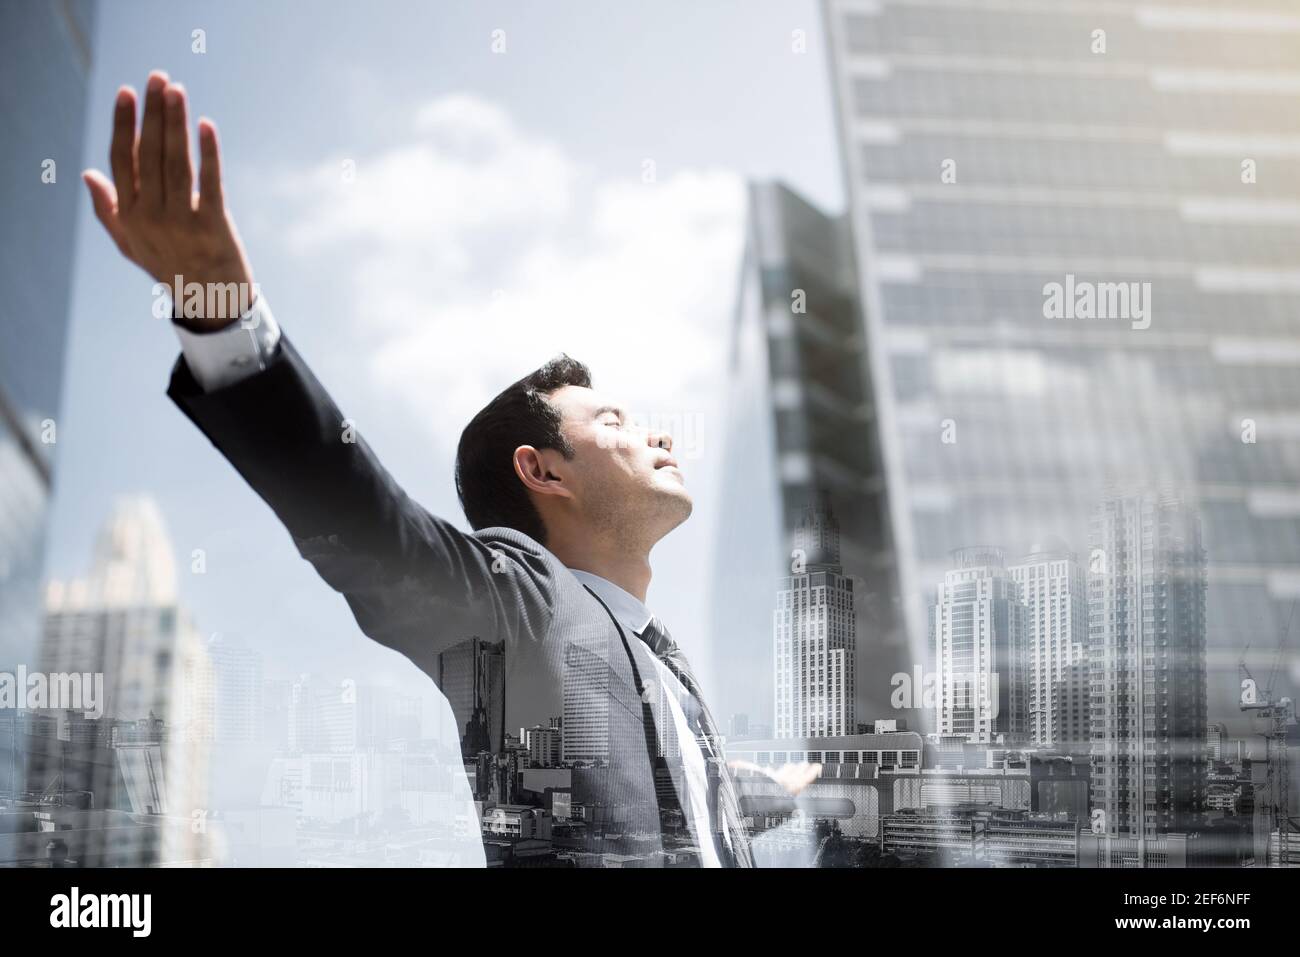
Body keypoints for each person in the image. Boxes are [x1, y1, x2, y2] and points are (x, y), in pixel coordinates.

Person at [84, 71, 817, 867]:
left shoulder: (667, 680)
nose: (659, 438)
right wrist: (225, 316)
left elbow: (690, 782)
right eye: (612, 422)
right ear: (543, 471)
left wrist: (775, 790)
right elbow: (378, 534)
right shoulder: (520, 609)